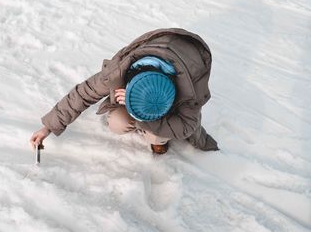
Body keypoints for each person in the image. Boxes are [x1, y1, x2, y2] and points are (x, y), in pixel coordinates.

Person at [30, 28, 219, 155]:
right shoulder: (118, 72)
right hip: (158, 57)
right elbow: (83, 93)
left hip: (187, 62)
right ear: (127, 86)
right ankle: (147, 122)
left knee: (157, 134)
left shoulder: (191, 90)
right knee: (117, 122)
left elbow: (187, 125)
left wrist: (143, 119)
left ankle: (158, 140)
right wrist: (48, 127)